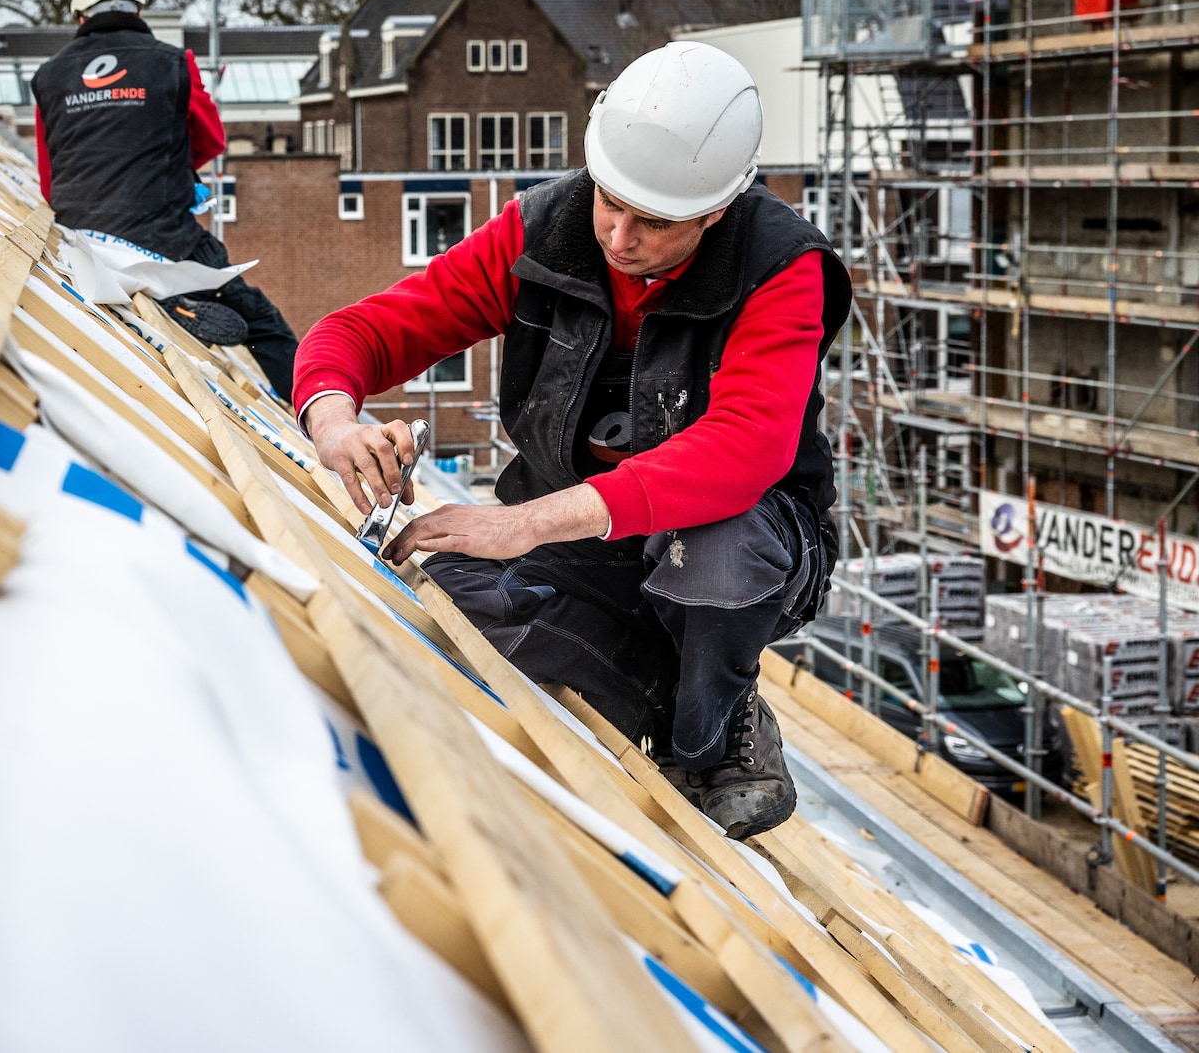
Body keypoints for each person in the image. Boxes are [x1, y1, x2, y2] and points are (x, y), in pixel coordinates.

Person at [293, 41, 851, 839]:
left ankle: (711, 740)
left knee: (716, 554)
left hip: (746, 539)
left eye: (654, 222)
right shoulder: (546, 229)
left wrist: (523, 521)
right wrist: (332, 415)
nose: (620, 237)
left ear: (717, 210)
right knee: (451, 594)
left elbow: (743, 450)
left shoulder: (779, 268)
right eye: (609, 201)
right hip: (585, 534)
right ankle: (659, 694)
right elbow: (367, 329)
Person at [31, 0, 300, 399]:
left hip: (80, 244)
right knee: (261, 322)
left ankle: (164, 297)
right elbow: (211, 140)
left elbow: (49, 181)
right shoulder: (174, 63)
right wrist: (165, 162)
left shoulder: (47, 78)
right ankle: (313, 414)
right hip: (163, 237)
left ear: (80, 17)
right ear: (138, 10)